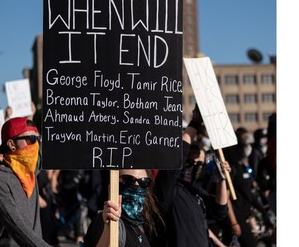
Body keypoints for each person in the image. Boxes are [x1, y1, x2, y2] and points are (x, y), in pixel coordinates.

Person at [153, 104, 230, 247]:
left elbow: (220, 211)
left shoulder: (195, 191)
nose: (194, 167)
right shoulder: (170, 189)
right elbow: (177, 157)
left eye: (199, 164)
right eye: (190, 162)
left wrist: (221, 179)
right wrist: (195, 122)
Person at [0, 117, 51, 247]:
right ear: (11, 144)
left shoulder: (30, 173)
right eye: (31, 140)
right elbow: (16, 227)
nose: (36, 145)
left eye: (38, 139)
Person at [83, 169, 164, 247]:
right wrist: (108, 227)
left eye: (143, 182)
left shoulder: (140, 224)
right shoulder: (104, 221)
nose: (136, 186)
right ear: (112, 186)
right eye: (129, 180)